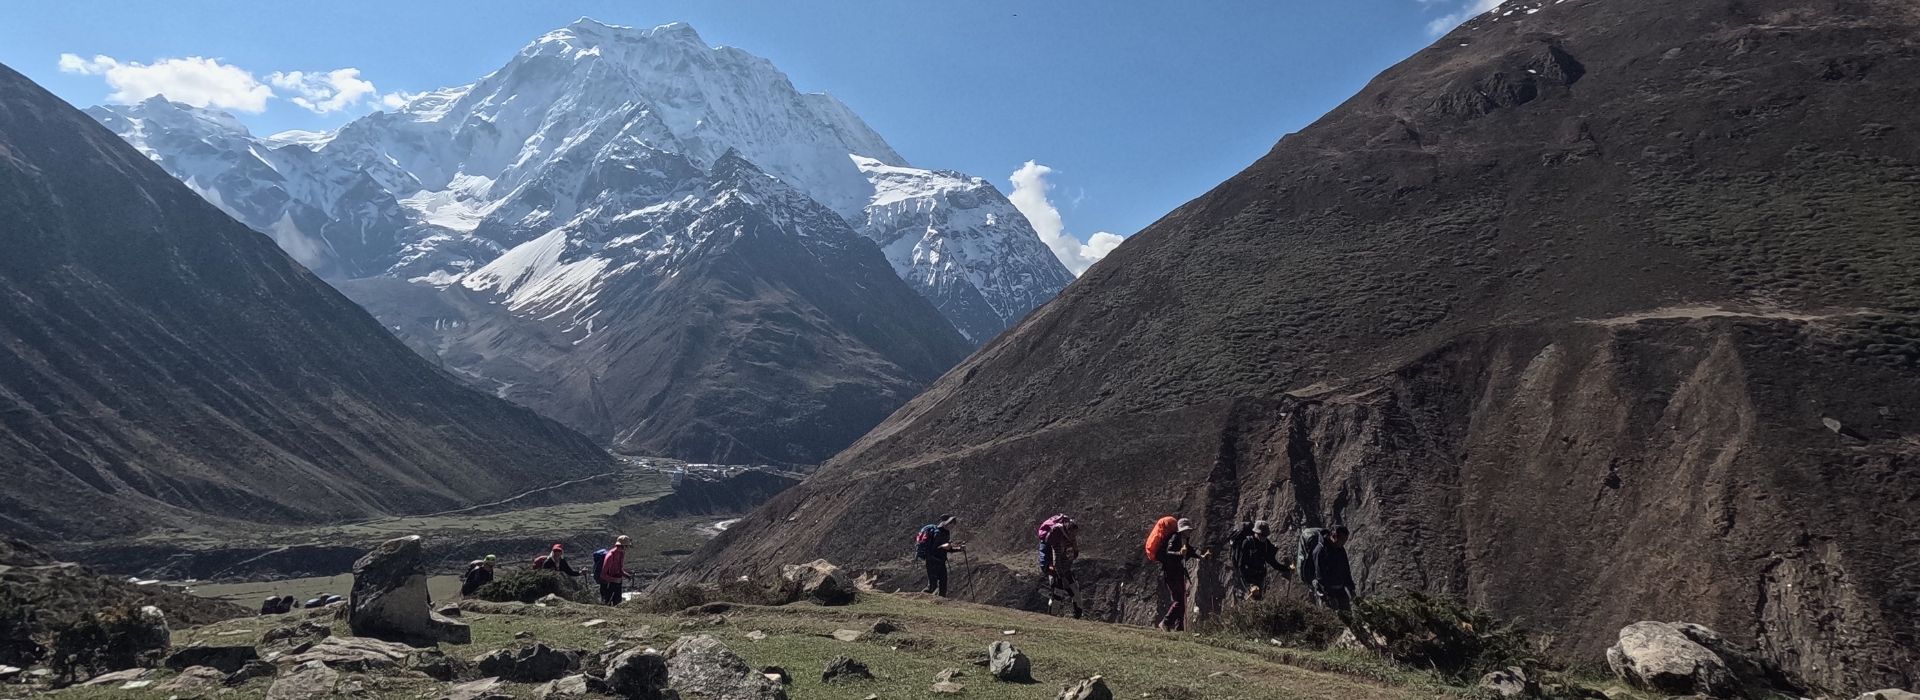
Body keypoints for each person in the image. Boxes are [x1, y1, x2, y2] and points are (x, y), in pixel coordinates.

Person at [1150, 517, 1198, 631]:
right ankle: (1165, 622)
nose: (1189, 532)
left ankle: (1179, 627)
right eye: (1187, 530)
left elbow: (1191, 551)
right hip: (1171, 573)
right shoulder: (1175, 538)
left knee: (1182, 600)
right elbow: (1169, 552)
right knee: (1179, 600)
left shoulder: (1184, 540)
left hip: (1177, 572)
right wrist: (1179, 553)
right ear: (1181, 530)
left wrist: (1202, 556)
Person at [1234, 521, 1291, 601]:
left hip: (1260, 576)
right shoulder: (1247, 543)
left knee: (1259, 599)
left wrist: (1287, 569)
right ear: (1256, 532)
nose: (1264, 537)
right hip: (1248, 577)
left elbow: (1272, 561)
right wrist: (1249, 585)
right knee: (1254, 600)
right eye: (1262, 535)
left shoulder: (1266, 544)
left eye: (1265, 535)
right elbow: (1241, 566)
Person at [1038, 515, 1081, 618]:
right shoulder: (1056, 537)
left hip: (1064, 567)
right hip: (1054, 568)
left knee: (1075, 590)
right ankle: (1052, 617)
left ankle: (1077, 616)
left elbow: (1073, 553)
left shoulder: (1070, 536)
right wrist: (1062, 577)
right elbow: (1056, 560)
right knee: (1058, 592)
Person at [914, 515, 963, 597]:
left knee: (943, 585)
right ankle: (918, 599)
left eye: (953, 523)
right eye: (951, 523)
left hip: (940, 561)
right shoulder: (937, 532)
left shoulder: (946, 533)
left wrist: (959, 548)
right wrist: (944, 546)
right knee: (932, 587)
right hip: (932, 562)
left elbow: (947, 548)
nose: (952, 525)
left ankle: (940, 605)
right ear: (945, 522)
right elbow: (934, 549)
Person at [1310, 526, 1355, 611]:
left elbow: (1345, 569)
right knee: (1333, 617)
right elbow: (1320, 576)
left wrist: (1351, 587)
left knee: (1347, 616)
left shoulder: (1340, 549)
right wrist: (1328, 595)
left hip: (1340, 589)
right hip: (1326, 592)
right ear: (1334, 536)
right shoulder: (1320, 550)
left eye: (1345, 540)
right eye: (1342, 540)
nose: (1343, 543)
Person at [599, 536, 632, 605]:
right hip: (608, 584)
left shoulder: (621, 554)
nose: (627, 548)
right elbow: (603, 575)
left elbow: (620, 570)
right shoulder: (610, 556)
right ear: (622, 546)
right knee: (607, 603)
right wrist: (614, 580)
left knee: (617, 603)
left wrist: (626, 575)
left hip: (617, 583)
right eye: (626, 546)